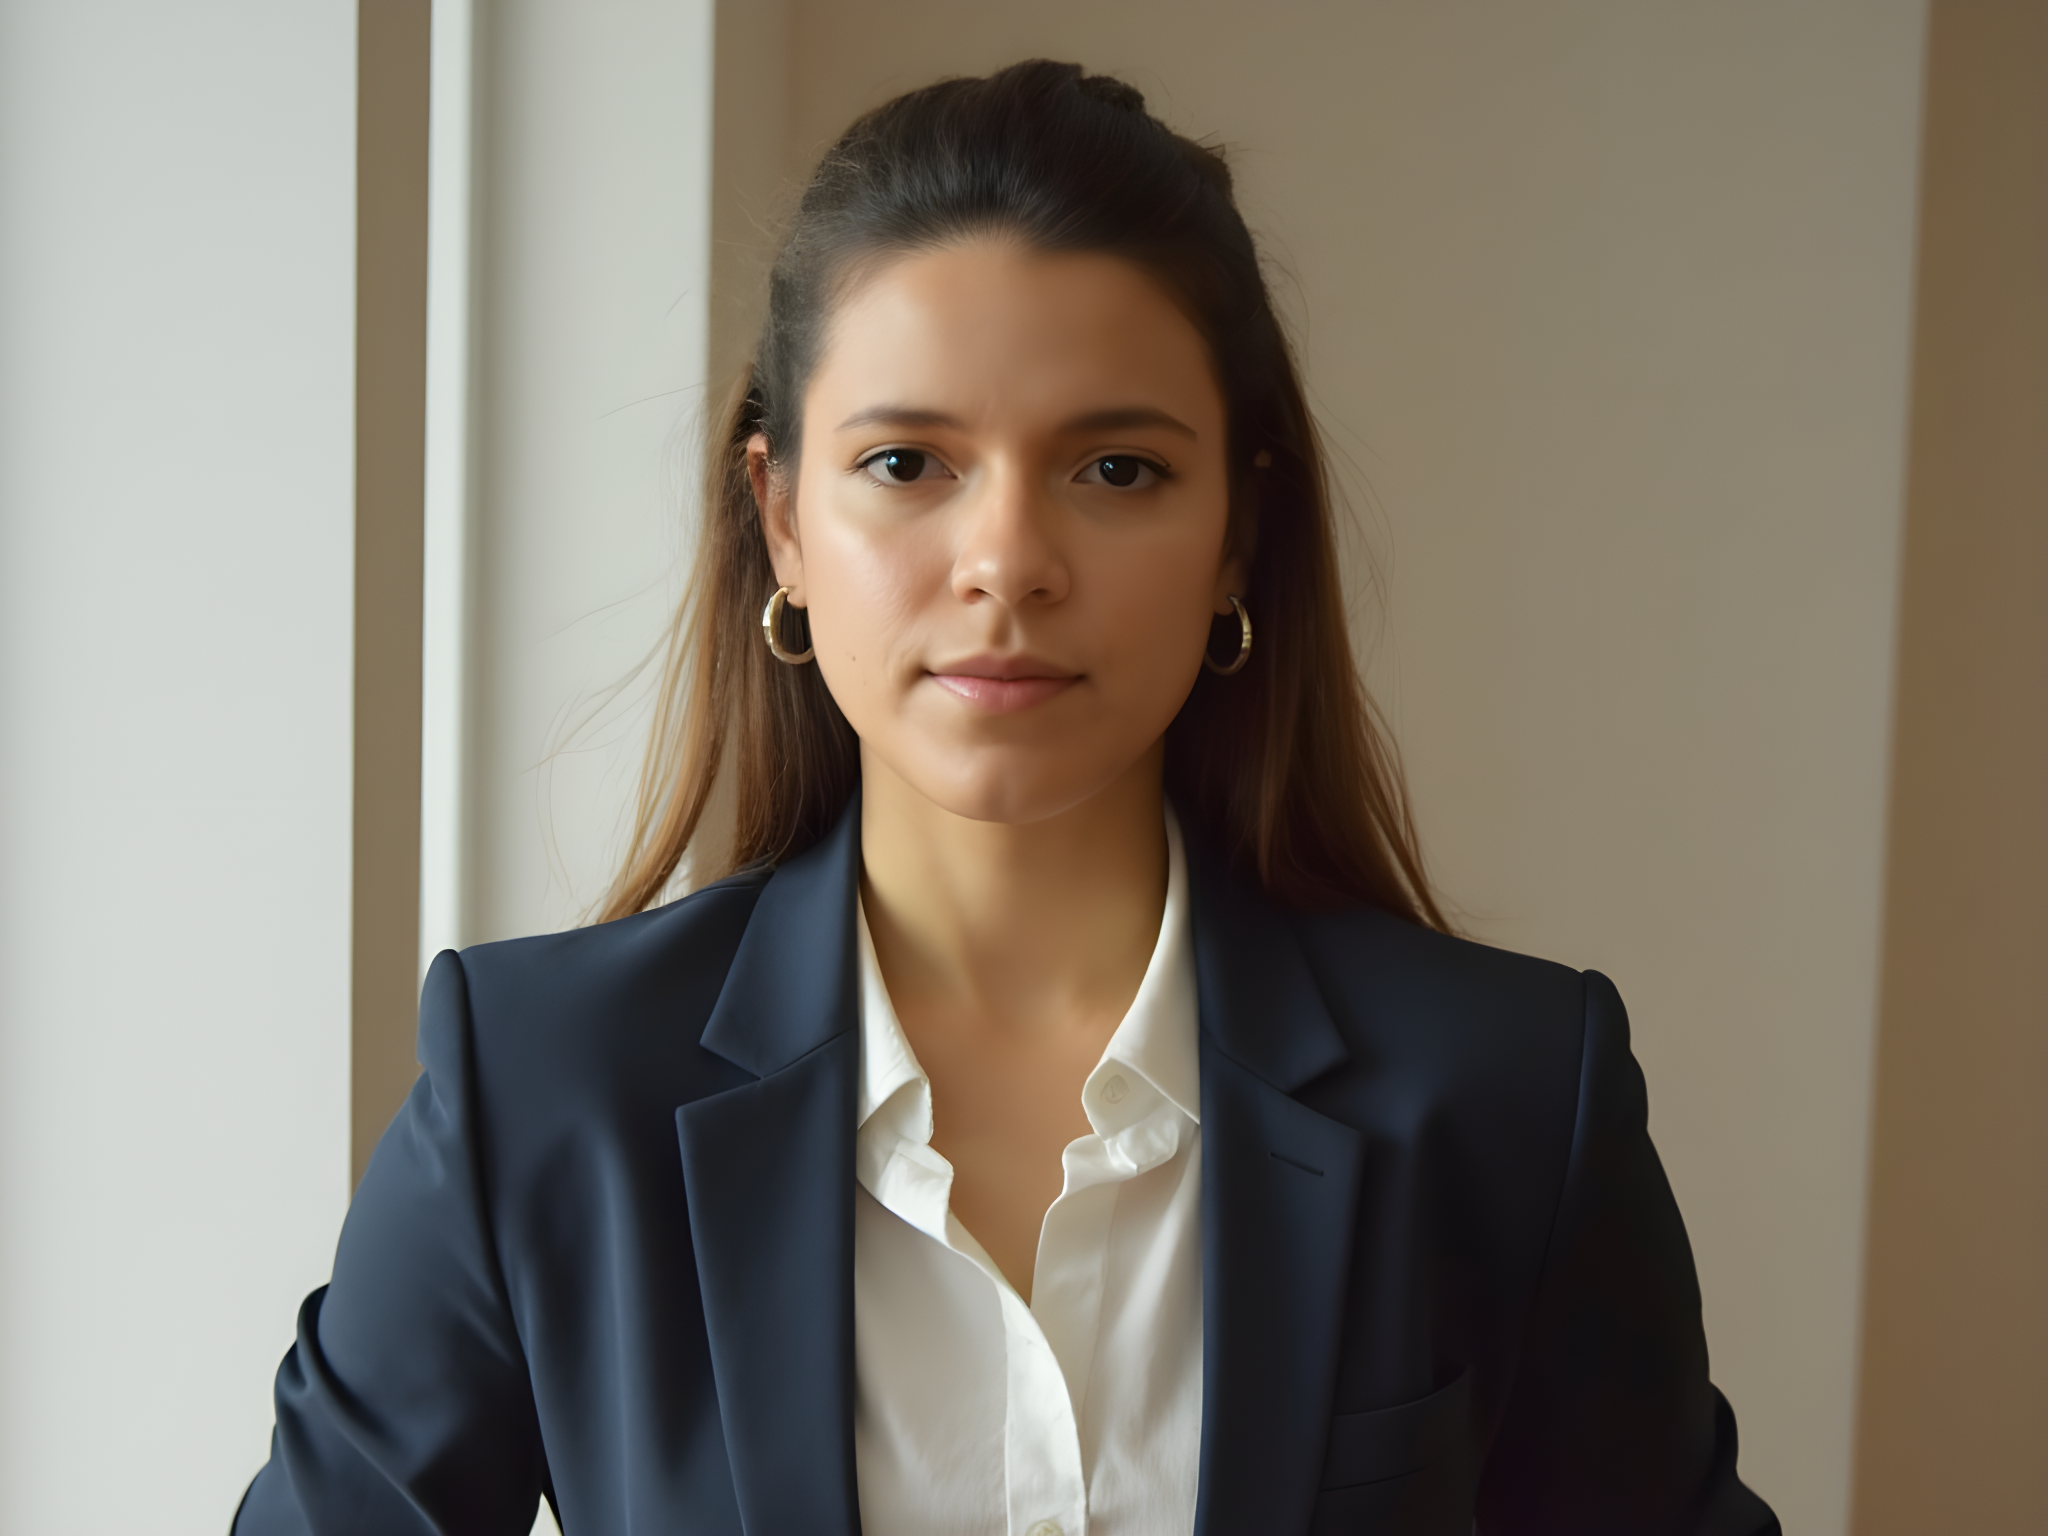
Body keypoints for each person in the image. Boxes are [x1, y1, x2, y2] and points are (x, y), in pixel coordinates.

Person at [235, 60, 1779, 1536]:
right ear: (778, 521)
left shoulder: (1509, 1097)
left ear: (1241, 533)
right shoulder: (542, 1093)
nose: (1007, 563)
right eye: (908, 463)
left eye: (1117, 472)